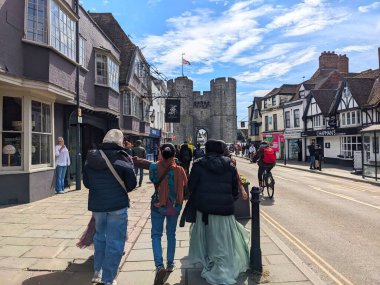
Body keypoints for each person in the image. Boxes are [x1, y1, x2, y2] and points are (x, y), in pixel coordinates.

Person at [187, 139, 249, 285]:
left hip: (205, 211)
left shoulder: (198, 164)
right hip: (224, 211)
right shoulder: (230, 165)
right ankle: (222, 266)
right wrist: (228, 200)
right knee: (223, 241)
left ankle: (210, 263)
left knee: (208, 239)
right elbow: (234, 191)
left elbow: (191, 186)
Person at [83, 129, 137, 285]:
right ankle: (108, 279)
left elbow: (87, 183)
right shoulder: (123, 157)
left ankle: (97, 272)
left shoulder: (90, 158)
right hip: (117, 206)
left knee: (100, 237)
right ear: (119, 142)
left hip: (97, 205)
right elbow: (131, 184)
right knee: (115, 242)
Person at [149, 143, 188, 285]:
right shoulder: (180, 169)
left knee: (156, 235)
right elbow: (184, 184)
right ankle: (170, 263)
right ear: (173, 155)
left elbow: (153, 180)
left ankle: (159, 266)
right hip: (174, 206)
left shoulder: (154, 167)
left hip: (158, 205)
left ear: (161, 153)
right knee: (171, 234)